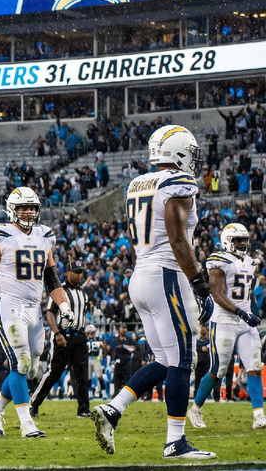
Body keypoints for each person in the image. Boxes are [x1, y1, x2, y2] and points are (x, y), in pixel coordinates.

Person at [91, 125, 216, 459]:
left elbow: (141, 240)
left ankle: (114, 409)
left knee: (164, 360)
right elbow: (178, 239)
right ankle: (175, 442)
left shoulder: (138, 183)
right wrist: (200, 284)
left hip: (141, 275)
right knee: (183, 360)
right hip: (166, 276)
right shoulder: (178, 182)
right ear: (180, 152)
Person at [0, 187, 71, 438]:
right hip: (8, 304)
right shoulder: (0, 236)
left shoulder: (44, 236)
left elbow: (52, 278)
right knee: (21, 362)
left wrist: (63, 305)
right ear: (12, 210)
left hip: (33, 307)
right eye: (22, 208)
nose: (27, 212)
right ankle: (26, 423)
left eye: (31, 208)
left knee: (29, 368)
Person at [188, 223, 264, 429]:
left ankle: (259, 415)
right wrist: (241, 313)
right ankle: (195, 409)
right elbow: (217, 294)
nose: (243, 244)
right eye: (238, 240)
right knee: (218, 370)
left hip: (245, 322)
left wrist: (251, 312)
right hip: (224, 321)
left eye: (244, 240)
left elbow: (246, 293)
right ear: (228, 241)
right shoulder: (219, 260)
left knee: (254, 365)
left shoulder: (250, 262)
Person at [29, 260, 93, 418]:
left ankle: (83, 409)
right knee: (54, 373)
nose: (79, 275)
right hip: (64, 334)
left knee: (82, 374)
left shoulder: (83, 293)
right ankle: (34, 403)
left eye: (81, 272)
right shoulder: (60, 291)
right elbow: (50, 312)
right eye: (76, 272)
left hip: (80, 336)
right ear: (68, 273)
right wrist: (57, 334)